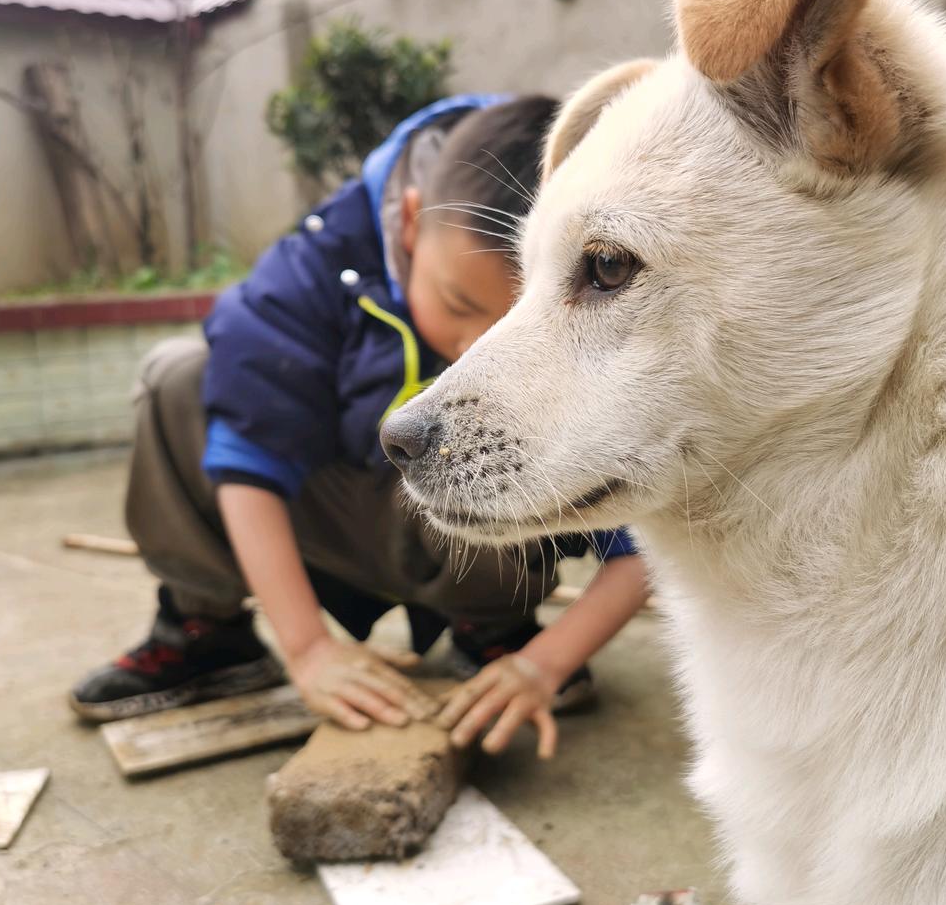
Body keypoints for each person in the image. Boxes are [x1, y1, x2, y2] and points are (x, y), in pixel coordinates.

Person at [69, 93, 648, 757]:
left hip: (478, 563)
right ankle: (207, 631)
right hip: (338, 529)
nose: (472, 351)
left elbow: (647, 534)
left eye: (505, 322)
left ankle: (494, 628)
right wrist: (309, 649)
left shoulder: (601, 287)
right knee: (183, 378)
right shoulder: (320, 258)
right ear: (408, 223)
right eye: (460, 304)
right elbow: (247, 451)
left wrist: (545, 663)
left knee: (512, 435)